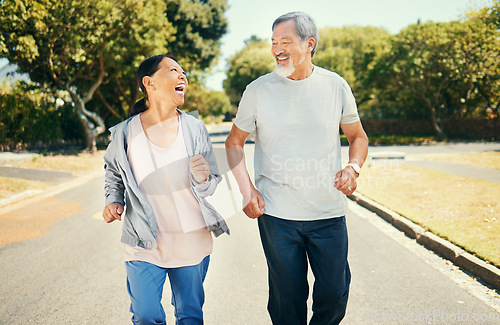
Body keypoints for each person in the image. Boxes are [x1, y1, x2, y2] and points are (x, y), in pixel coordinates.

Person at [225, 12, 368, 325]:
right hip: (278, 215)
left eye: (285, 41)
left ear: (310, 44)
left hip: (328, 212)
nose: (277, 48)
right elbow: (233, 143)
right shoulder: (258, 91)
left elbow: (357, 137)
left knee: (334, 295)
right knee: (287, 303)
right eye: (274, 42)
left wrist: (353, 168)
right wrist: (247, 191)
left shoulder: (335, 86)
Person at [102, 54, 229, 325]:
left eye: (184, 72)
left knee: (190, 315)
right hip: (143, 241)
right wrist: (113, 200)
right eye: (174, 70)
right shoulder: (124, 132)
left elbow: (212, 182)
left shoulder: (195, 128)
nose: (183, 77)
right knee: (146, 315)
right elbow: (113, 171)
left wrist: (204, 178)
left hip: (191, 239)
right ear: (150, 83)